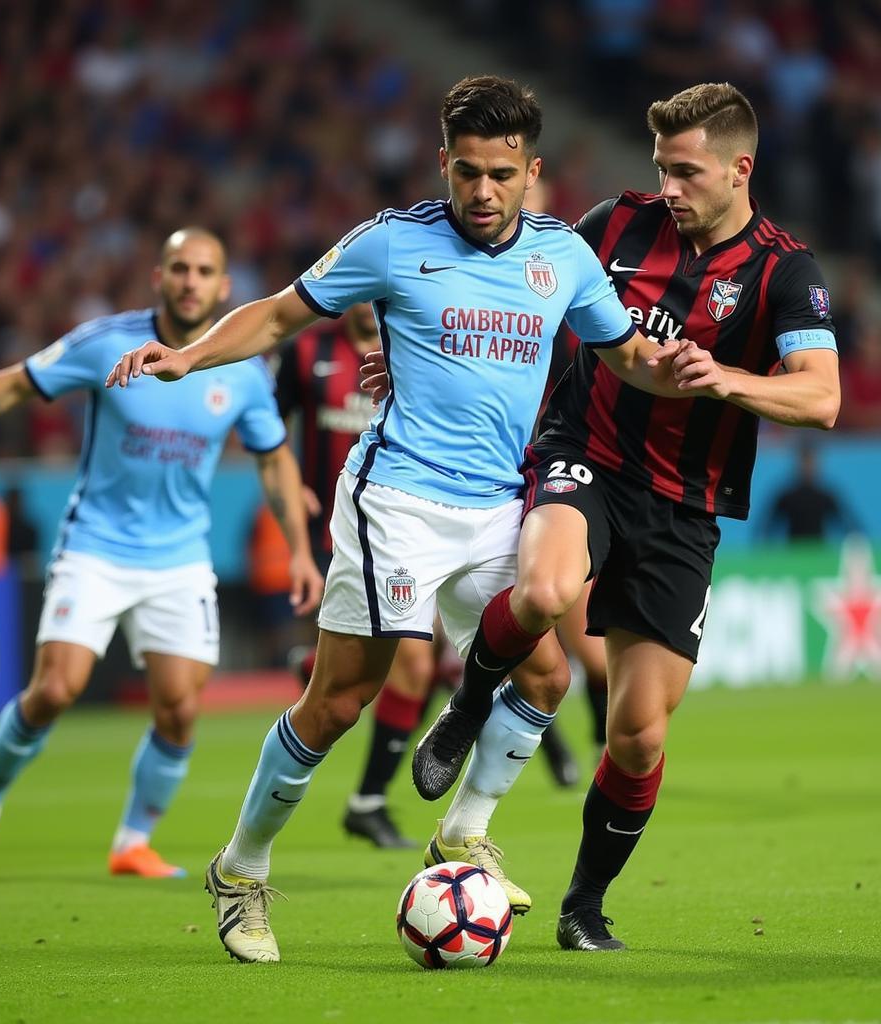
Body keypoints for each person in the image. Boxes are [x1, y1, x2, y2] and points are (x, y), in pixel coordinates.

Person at [106, 74, 690, 964]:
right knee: (342, 699)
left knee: (545, 679)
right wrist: (187, 358)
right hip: (399, 500)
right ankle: (243, 868)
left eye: (501, 173)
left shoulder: (563, 260)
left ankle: (463, 832)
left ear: (532, 171)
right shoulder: (391, 242)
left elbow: (630, 359)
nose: (482, 192)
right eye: (466, 172)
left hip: (499, 502)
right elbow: (278, 315)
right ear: (443, 164)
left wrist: (700, 376)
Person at [407, 82, 840, 952]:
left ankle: (582, 906)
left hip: (686, 505)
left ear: (739, 169)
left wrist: (728, 379)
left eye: (687, 172)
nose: (669, 188)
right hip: (586, 455)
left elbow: (822, 397)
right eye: (661, 169)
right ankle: (465, 707)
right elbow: (504, 285)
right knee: (547, 585)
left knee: (637, 734)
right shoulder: (613, 223)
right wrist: (417, 359)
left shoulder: (785, 271)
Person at [0, 227, 322, 880]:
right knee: (55, 688)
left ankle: (132, 842)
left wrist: (300, 552)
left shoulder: (242, 371)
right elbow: (14, 385)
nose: (190, 281)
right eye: (179, 269)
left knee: (181, 708)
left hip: (180, 562)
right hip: (97, 547)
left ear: (224, 288)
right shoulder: (106, 343)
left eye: (204, 272)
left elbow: (275, 459)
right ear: (158, 278)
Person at [276, 301, 426, 848]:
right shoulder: (306, 351)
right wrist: (290, 484)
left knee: (414, 666)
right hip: (330, 534)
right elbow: (267, 428)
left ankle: (368, 801)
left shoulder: (420, 341)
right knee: (410, 664)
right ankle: (367, 803)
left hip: (402, 529)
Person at [762, 441, 857, 542]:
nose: (808, 467)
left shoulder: (824, 496)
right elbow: (768, 527)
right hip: (794, 551)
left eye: (811, 463)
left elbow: (847, 523)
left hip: (818, 552)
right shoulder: (787, 497)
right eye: (805, 463)